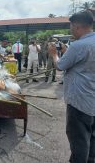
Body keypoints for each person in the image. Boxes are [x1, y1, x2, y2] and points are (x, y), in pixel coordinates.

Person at [49, 11, 95, 163]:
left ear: (77, 26)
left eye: (71, 27)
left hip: (80, 102)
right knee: (92, 139)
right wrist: (66, 52)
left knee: (79, 141)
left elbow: (60, 66)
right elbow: (82, 62)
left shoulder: (78, 45)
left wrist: (54, 54)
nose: (70, 30)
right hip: (92, 100)